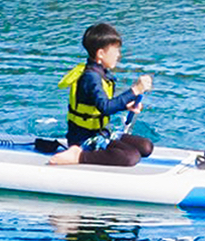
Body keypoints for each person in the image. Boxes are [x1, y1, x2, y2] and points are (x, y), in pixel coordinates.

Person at [47, 23, 155, 168]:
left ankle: (97, 149)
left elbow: (101, 104)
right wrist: (135, 90)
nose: (118, 54)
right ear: (101, 54)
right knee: (131, 157)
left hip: (102, 132)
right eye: (115, 50)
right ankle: (78, 155)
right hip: (84, 139)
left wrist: (126, 105)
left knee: (146, 147)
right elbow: (105, 107)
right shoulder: (90, 77)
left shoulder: (101, 72)